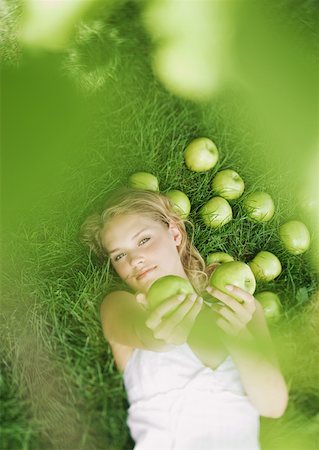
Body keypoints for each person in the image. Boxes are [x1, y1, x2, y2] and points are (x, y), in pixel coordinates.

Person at [80, 187, 288, 450]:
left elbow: (273, 405)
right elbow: (149, 336)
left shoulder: (239, 308)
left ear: (175, 234)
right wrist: (160, 331)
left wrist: (238, 335)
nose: (135, 259)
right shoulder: (122, 306)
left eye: (143, 240)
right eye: (120, 255)